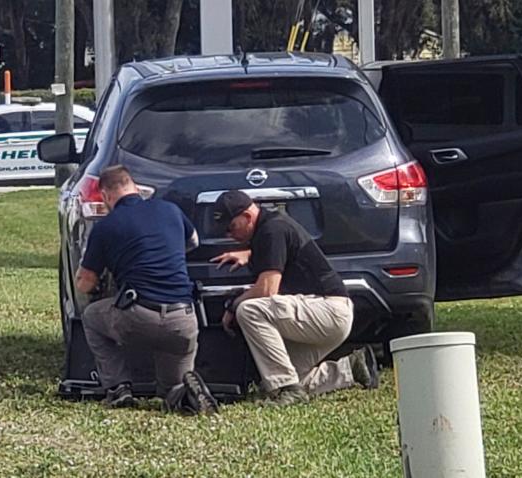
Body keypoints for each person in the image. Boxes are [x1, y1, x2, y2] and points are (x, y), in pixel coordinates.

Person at [210, 190, 380, 407]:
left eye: (231, 227)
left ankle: (289, 390)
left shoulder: (273, 230)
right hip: (326, 313)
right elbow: (281, 250)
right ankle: (352, 368)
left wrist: (232, 305)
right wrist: (249, 254)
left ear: (247, 216)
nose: (228, 235)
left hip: (328, 310)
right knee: (277, 378)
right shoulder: (270, 228)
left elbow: (267, 290)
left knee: (249, 310)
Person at [76, 166, 218, 414]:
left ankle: (118, 388)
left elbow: (85, 282)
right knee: (171, 389)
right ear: (134, 186)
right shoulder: (170, 210)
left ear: (107, 195)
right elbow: (192, 242)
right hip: (183, 319)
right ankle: (185, 393)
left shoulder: (106, 227)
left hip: (138, 315)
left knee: (91, 317)